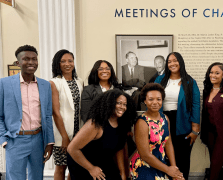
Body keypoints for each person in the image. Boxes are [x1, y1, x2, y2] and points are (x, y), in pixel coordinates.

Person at [0, 45, 54, 180]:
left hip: (38, 139)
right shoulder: (4, 84)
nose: (31, 62)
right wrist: (4, 139)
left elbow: (47, 115)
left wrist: (49, 142)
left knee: (37, 177)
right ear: (18, 63)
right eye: (26, 59)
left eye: (34, 59)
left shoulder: (45, 85)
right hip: (15, 140)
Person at [67, 89, 137, 180]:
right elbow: (72, 149)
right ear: (109, 103)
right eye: (118, 103)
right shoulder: (95, 124)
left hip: (103, 161)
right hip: (83, 163)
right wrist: (91, 168)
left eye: (125, 104)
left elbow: (119, 148)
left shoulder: (121, 124)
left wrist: (122, 173)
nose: (122, 107)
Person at [155, 52, 200, 180]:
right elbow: (152, 98)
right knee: (164, 156)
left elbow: (196, 105)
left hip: (183, 123)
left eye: (175, 60)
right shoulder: (160, 80)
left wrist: (195, 130)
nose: (172, 64)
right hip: (163, 121)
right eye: (169, 61)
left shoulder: (190, 82)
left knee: (182, 158)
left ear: (180, 62)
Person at [130, 83, 184, 180]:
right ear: (145, 101)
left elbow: (168, 143)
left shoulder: (165, 118)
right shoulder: (142, 122)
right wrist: (168, 170)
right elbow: (145, 155)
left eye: (158, 99)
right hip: (144, 166)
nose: (155, 102)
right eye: (151, 99)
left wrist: (174, 168)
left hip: (162, 164)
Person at [49, 49, 83, 180]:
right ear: (57, 64)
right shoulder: (54, 82)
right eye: (63, 61)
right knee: (61, 166)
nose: (67, 64)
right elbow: (55, 112)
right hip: (62, 132)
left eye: (70, 61)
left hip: (78, 131)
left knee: (75, 165)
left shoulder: (79, 81)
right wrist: (64, 136)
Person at [200, 62, 223, 180]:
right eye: (211, 72)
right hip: (209, 133)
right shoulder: (207, 90)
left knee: (216, 162)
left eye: (217, 73)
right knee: (214, 162)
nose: (213, 75)